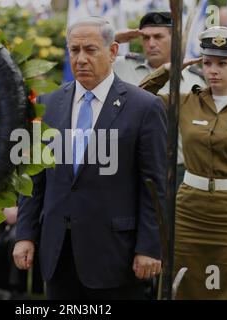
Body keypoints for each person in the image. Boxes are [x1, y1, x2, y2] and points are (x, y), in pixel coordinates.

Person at [13, 16, 167, 300]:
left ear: (112, 52)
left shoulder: (144, 107)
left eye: (90, 49)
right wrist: (25, 234)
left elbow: (154, 186)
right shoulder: (48, 104)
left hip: (116, 256)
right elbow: (34, 176)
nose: (81, 58)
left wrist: (149, 247)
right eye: (74, 50)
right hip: (58, 252)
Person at [140, 26, 227, 299]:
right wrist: (168, 70)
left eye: (222, 63)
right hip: (190, 210)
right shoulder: (185, 100)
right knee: (185, 282)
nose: (213, 70)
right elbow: (137, 100)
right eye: (207, 63)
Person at [113, 11, 206, 186]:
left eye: (158, 37)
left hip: (179, 172)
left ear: (175, 39)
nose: (151, 44)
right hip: (133, 169)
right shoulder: (121, 67)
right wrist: (114, 37)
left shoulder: (196, 79)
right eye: (146, 38)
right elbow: (87, 58)